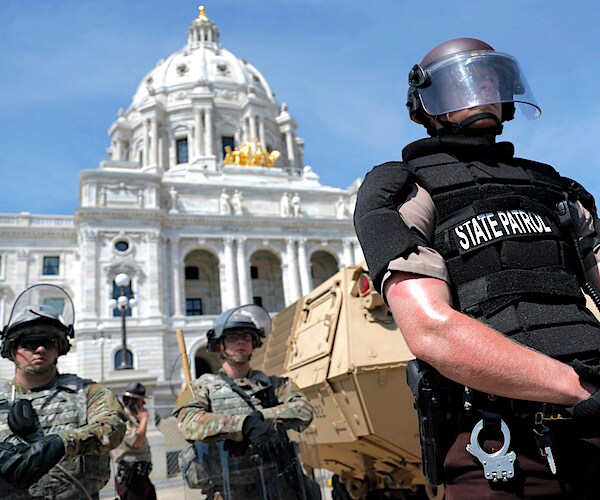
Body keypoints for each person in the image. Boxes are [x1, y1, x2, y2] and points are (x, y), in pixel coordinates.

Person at [354, 38, 600, 498]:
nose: (479, 90)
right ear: (426, 102)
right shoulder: (403, 188)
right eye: (460, 83)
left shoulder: (557, 188)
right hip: (500, 441)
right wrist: (579, 389)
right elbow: (431, 329)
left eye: (490, 80)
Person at [174, 304, 317, 499]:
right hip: (227, 489)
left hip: (274, 487)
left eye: (247, 337)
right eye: (233, 337)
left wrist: (262, 417)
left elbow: (304, 410)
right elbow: (188, 422)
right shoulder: (202, 387)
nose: (241, 341)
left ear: (254, 342)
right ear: (219, 346)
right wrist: (244, 424)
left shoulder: (274, 385)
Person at [0, 284, 127, 499]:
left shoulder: (88, 392)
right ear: (11, 350)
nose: (40, 349)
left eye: (48, 342)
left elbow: (112, 426)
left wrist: (61, 443)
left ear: (59, 347)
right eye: (30, 343)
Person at [112, 382, 156, 500]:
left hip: (141, 475)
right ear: (133, 402)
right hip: (131, 477)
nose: (144, 404)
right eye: (142, 401)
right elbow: (135, 442)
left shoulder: (134, 419)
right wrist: (144, 419)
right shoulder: (123, 419)